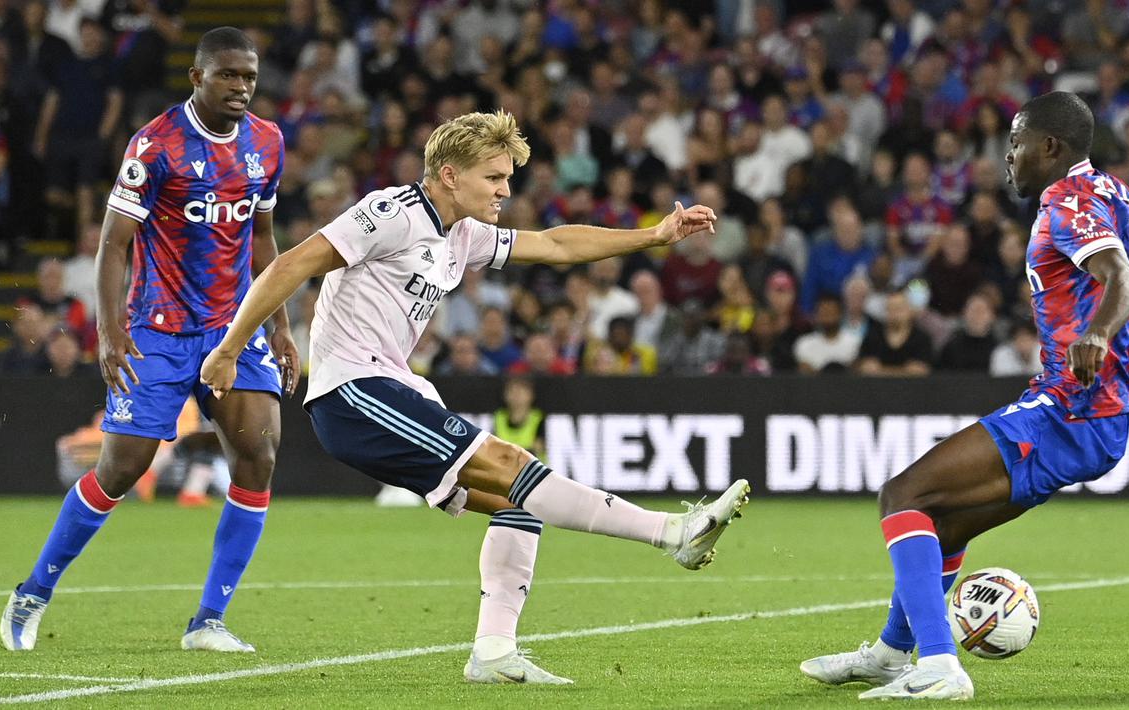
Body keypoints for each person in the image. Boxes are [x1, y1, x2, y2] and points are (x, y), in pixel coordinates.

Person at [197, 111, 750, 684]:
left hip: (391, 386)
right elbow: (292, 264)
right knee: (515, 463)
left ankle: (493, 651)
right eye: (493, 178)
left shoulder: (461, 232)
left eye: (507, 179)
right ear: (448, 174)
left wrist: (654, 236)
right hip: (352, 392)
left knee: (519, 504)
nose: (505, 191)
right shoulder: (390, 213)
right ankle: (671, 533)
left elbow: (555, 245)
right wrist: (231, 348)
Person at [800, 91, 1129, 700]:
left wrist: (1099, 333)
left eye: (1016, 144)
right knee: (941, 525)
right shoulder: (1114, 194)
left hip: (1068, 409)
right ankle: (894, 654)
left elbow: (1123, 277)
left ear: (1050, 146)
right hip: (1092, 418)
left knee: (903, 494)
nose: (1008, 159)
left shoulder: (1069, 202)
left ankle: (941, 666)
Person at [1, 28, 298, 655]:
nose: (242, 87)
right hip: (158, 331)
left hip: (234, 329)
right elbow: (114, 243)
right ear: (197, 77)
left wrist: (279, 324)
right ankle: (32, 592)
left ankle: (208, 622)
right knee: (121, 469)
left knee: (259, 457)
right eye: (228, 76)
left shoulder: (268, 143)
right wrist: (110, 332)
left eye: (249, 76)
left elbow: (265, 237)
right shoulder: (155, 144)